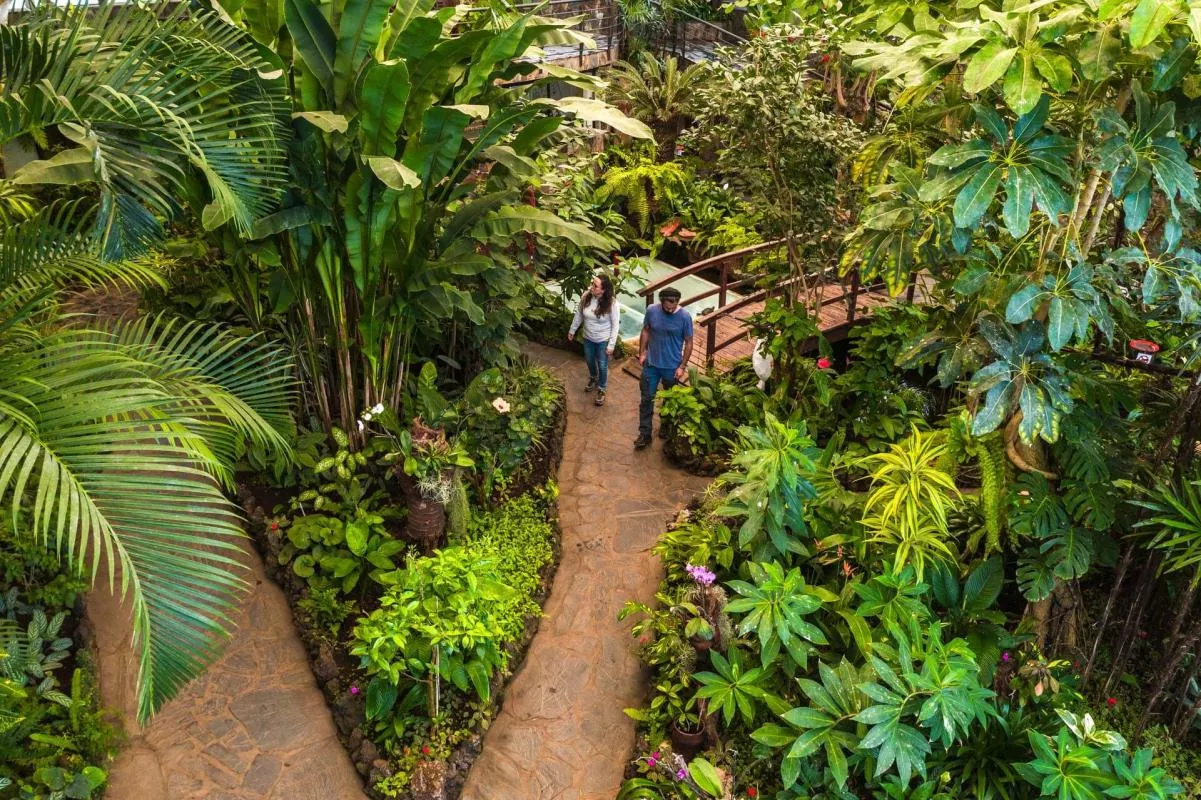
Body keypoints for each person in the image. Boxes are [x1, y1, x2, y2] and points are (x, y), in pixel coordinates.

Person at [635, 286, 693, 449]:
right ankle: (645, 434)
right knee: (646, 398)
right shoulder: (652, 311)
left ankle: (666, 426)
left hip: (672, 367)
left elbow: (689, 342)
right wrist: (642, 352)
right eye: (667, 305)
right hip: (652, 364)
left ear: (677, 302)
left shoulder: (685, 317)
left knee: (669, 400)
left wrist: (682, 366)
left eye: (673, 305)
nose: (670, 308)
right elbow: (646, 330)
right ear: (661, 302)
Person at [567, 274, 619, 406]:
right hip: (588, 337)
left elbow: (615, 325)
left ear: (603, 290)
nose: (592, 287)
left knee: (602, 365)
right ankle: (593, 377)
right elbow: (579, 314)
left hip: (603, 339)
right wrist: (572, 330)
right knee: (589, 361)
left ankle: (602, 388)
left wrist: (611, 345)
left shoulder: (612, 303)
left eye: (595, 286)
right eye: (592, 284)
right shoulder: (586, 296)